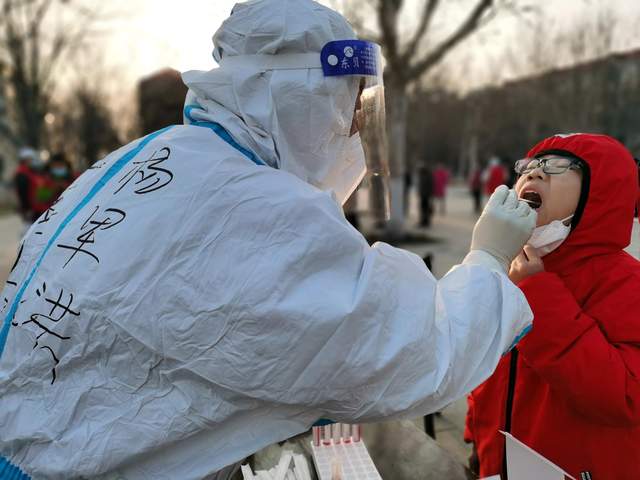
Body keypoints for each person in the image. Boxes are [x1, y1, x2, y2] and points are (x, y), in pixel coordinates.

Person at [0, 1, 536, 478]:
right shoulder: (251, 206)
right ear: (303, 97)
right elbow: (411, 353)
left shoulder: (156, 154)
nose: (352, 132)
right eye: (346, 110)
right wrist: (488, 259)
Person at [465, 134, 640, 480]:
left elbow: (625, 395)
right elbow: (487, 365)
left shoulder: (627, 282)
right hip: (498, 463)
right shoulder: (509, 264)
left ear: (600, 194)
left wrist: (538, 294)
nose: (535, 173)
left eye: (558, 167)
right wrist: (476, 434)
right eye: (530, 166)